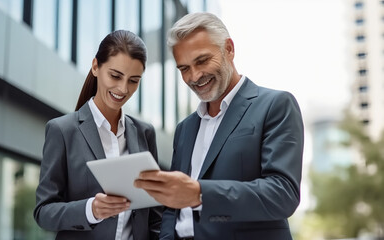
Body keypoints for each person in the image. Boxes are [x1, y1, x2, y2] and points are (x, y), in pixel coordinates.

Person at [134, 12, 304, 240]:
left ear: (229, 49)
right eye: (184, 68)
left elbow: (282, 194)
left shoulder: (275, 105)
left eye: (202, 60)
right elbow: (172, 211)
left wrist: (200, 194)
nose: (194, 76)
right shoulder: (185, 128)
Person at [34, 30, 161, 240]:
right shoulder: (62, 130)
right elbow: (43, 212)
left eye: (133, 80)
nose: (123, 88)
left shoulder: (144, 133)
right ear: (95, 67)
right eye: (115, 75)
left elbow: (155, 216)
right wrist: (90, 210)